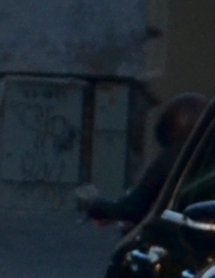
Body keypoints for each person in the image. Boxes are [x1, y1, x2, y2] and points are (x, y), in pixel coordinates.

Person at [81, 93, 204, 227]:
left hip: (178, 232)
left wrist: (98, 206)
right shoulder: (210, 153)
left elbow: (135, 205)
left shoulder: (175, 157)